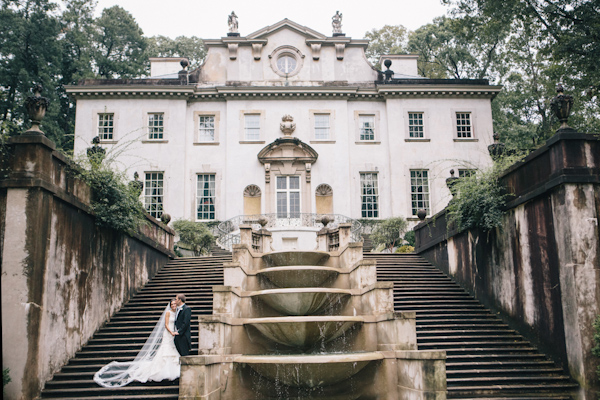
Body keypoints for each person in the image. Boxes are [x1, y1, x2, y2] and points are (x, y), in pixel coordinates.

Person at [93, 299, 180, 387]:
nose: (173, 305)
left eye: (174, 304)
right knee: (165, 350)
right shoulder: (168, 313)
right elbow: (166, 324)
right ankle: (161, 370)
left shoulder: (176, 312)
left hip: (174, 333)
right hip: (168, 333)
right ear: (170, 305)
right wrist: (171, 332)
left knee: (172, 349)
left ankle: (173, 368)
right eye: (172, 304)